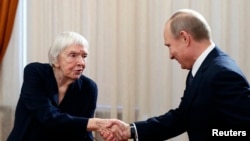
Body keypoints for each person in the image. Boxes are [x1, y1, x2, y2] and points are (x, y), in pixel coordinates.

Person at [102, 9, 250, 141]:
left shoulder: (223, 74)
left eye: (169, 46)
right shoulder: (202, 68)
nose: (170, 55)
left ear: (185, 38)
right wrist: (131, 130)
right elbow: (182, 117)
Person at [7, 31, 110, 141]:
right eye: (73, 55)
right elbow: (47, 117)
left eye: (84, 56)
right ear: (56, 60)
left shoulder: (89, 88)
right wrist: (95, 123)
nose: (81, 62)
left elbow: (84, 134)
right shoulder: (35, 73)